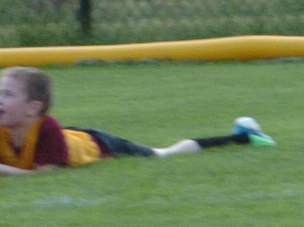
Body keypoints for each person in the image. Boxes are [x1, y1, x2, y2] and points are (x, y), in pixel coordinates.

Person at [0, 68, 272, 174]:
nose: (0, 99)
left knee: (162, 155)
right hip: (73, 135)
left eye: (8, 95)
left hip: (100, 144)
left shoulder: (47, 129)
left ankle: (245, 135)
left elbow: (45, 175)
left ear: (33, 109)